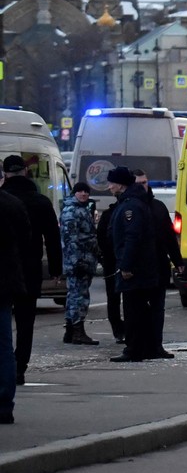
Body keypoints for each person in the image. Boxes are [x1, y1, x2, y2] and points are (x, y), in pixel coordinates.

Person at [1, 154, 63, 384]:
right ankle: (19, 367)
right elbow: (53, 238)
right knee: (26, 323)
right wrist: (56, 269)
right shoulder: (40, 201)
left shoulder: (5, 200)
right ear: (25, 172)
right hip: (30, 268)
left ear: (6, 174)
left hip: (4, 270)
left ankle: (4, 368)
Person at [106, 166, 159, 363]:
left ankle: (134, 349)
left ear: (120, 184)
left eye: (111, 183)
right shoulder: (132, 202)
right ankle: (144, 347)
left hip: (135, 269)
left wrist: (126, 265)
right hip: (139, 266)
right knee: (139, 309)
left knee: (133, 310)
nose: (109, 187)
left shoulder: (131, 206)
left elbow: (132, 237)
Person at [133, 169, 182, 359]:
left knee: (157, 309)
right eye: (138, 183)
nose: (143, 186)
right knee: (138, 309)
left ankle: (156, 346)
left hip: (159, 266)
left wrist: (178, 261)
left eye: (144, 182)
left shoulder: (158, 207)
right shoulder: (130, 206)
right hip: (139, 268)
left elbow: (169, 237)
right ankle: (139, 346)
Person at [0, 190, 31, 424]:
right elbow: (25, 243)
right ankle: (4, 404)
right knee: (3, 347)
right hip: (4, 283)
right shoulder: (13, 204)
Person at [60, 182, 100, 345]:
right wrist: (78, 261)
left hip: (83, 259)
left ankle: (71, 331)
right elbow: (71, 239)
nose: (83, 194)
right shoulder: (72, 210)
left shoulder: (82, 208)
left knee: (74, 295)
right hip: (78, 260)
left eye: (86, 191)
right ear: (74, 193)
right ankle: (77, 331)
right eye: (80, 191)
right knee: (79, 297)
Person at [95, 204, 125, 343]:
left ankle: (118, 330)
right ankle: (123, 330)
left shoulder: (109, 214)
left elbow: (100, 236)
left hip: (110, 260)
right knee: (124, 297)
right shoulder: (125, 211)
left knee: (113, 298)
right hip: (116, 259)